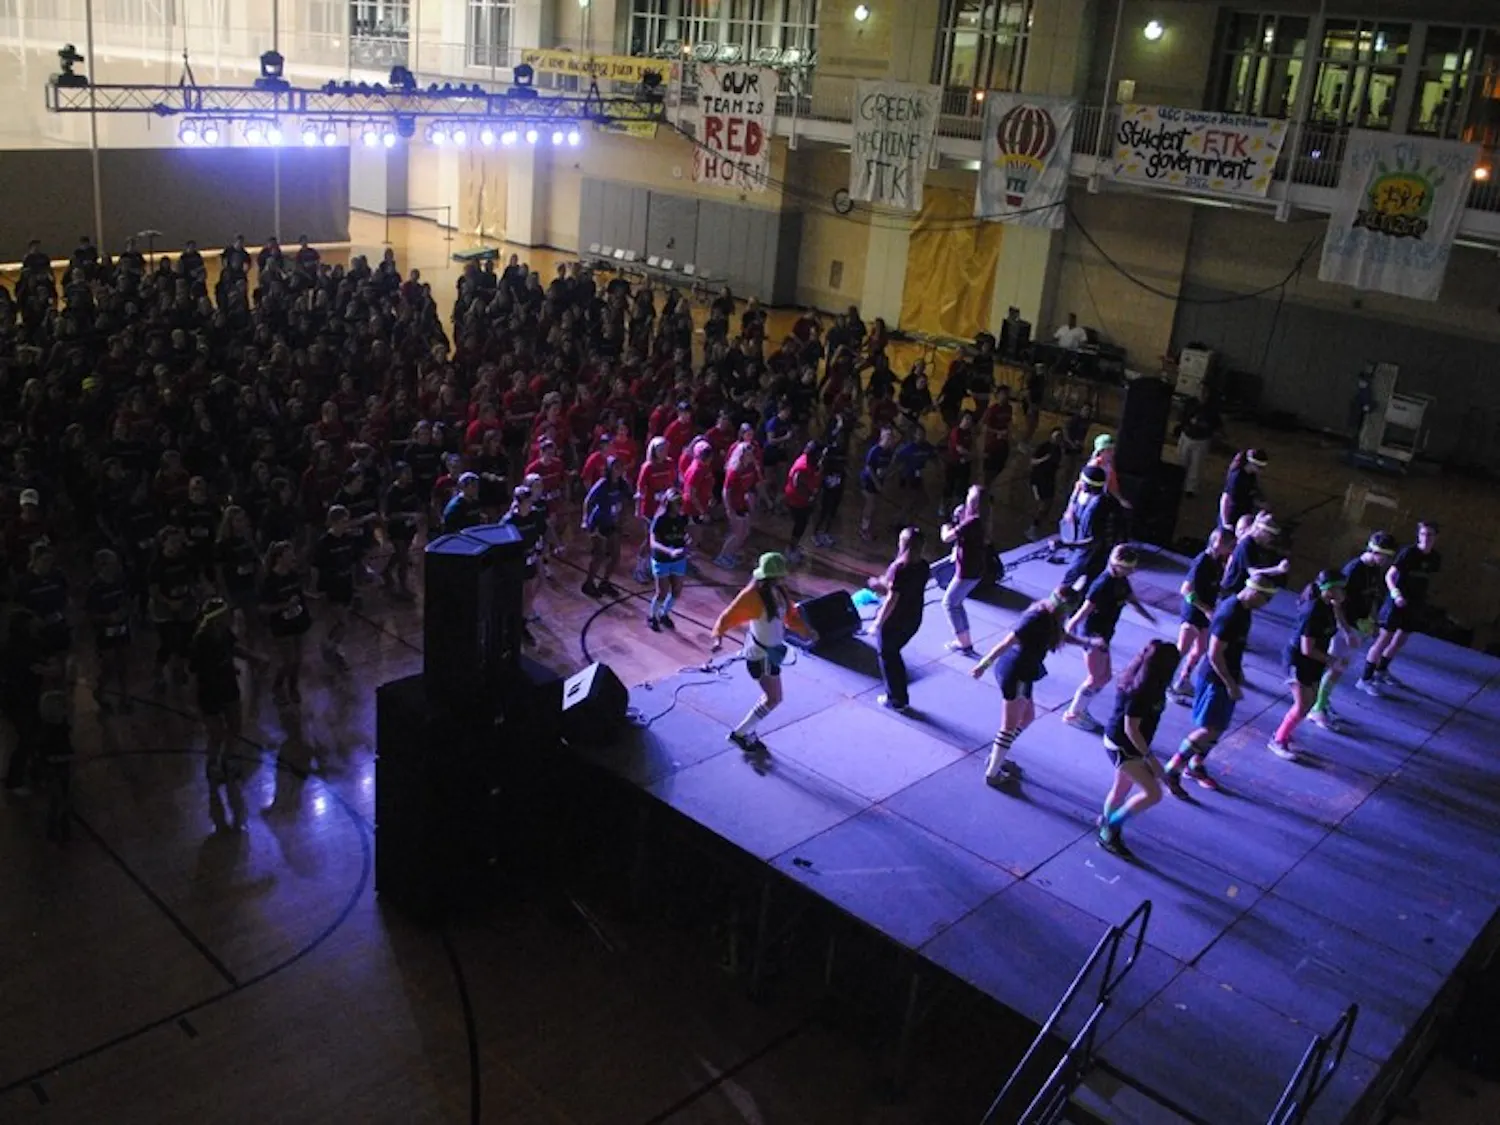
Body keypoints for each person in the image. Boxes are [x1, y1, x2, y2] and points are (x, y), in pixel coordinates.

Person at [1164, 574, 1278, 794]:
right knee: (1208, 729)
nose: (1266, 605)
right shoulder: (1230, 614)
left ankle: (1196, 765)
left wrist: (1238, 674)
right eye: (1266, 599)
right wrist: (1230, 684)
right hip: (1216, 679)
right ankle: (1173, 769)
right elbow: (1215, 654)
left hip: (1227, 676)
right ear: (1255, 593)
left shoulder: (1244, 611)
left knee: (1219, 727)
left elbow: (1233, 649)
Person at [971, 587, 1081, 789]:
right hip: (1017, 672)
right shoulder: (1035, 618)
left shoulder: (1050, 618)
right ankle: (992, 773)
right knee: (1009, 725)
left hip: (1024, 670)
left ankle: (998, 753)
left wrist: (1086, 643)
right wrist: (983, 665)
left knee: (1028, 717)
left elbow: (1061, 636)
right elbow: (1006, 642)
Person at [709, 553, 815, 752]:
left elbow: (790, 617)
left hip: (770, 652)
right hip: (761, 656)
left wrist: (806, 631)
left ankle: (747, 731)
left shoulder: (779, 592)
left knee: (770, 697)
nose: (784, 578)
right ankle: (739, 734)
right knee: (774, 698)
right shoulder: (752, 597)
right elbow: (728, 616)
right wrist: (718, 637)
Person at [1097, 639, 1181, 856]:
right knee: (1153, 793)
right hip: (1123, 746)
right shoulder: (1142, 690)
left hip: (1127, 744)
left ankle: (1107, 823)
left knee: (1120, 790)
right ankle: (1110, 827)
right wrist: (1151, 760)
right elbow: (1131, 728)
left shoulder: (1149, 682)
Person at [189, 597, 265, 833]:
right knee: (216, 733)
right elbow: (193, 673)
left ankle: (228, 760)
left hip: (228, 687)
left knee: (235, 726)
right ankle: (212, 764)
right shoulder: (200, 642)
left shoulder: (225, 634)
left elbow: (234, 648)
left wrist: (255, 658)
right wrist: (193, 701)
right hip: (209, 693)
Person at [1062, 544, 1156, 732]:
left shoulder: (1122, 581)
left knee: (1105, 677)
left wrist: (1148, 616)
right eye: (1128, 568)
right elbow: (1083, 611)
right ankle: (1073, 714)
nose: (1132, 571)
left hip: (1105, 635)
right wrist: (1069, 630)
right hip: (1092, 635)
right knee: (1095, 677)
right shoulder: (1102, 585)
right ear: (1116, 565)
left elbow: (1132, 600)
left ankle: (1081, 709)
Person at [1311, 532, 1395, 727]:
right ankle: (1317, 708)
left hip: (1358, 626)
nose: (1388, 562)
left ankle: (1322, 702)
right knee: (1335, 666)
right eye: (1386, 556)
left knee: (1340, 667)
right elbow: (1336, 602)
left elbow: (1371, 597)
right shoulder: (1354, 570)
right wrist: (1346, 630)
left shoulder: (1374, 568)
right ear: (1375, 551)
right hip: (1345, 626)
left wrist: (1372, 622)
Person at [1269, 571, 1347, 760]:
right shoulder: (1313, 611)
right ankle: (1278, 740)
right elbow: (1307, 649)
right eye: (1340, 588)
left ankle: (1284, 734)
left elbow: (1338, 624)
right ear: (1329, 589)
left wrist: (1338, 607)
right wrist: (1332, 661)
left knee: (1309, 702)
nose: (1343, 592)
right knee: (1303, 705)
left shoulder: (1328, 606)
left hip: (1313, 662)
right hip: (1299, 661)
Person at [1358, 521, 1441, 696]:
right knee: (1383, 640)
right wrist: (1396, 594)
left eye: (1430, 535)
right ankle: (1365, 678)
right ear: (1418, 535)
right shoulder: (1409, 553)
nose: (1426, 538)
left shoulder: (1435, 558)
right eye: (1423, 534)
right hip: (1396, 602)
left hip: (1414, 604)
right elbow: (1390, 575)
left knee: (1399, 640)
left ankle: (1381, 670)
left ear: (1435, 537)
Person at [868, 527, 931, 711]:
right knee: (894, 653)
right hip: (913, 618)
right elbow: (903, 588)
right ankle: (897, 696)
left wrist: (877, 623)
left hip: (895, 621)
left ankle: (896, 699)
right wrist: (883, 583)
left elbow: (892, 599)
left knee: (889, 657)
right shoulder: (923, 566)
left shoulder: (900, 568)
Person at [1170, 527, 1232, 701]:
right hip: (1194, 612)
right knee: (1182, 649)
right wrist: (1205, 609)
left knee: (1200, 649)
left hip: (1206, 613)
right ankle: (1166, 683)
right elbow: (1186, 590)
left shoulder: (1218, 563)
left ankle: (1183, 680)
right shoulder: (1202, 561)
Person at [260, 540, 312, 704]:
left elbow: (299, 593)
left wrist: (312, 597)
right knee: (288, 660)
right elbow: (263, 607)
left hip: (298, 620)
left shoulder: (293, 575)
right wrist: (284, 606)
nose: (293, 558)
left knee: (298, 659)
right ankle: (278, 683)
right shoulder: (270, 581)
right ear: (279, 558)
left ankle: (293, 687)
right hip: (281, 625)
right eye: (289, 555)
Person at [308, 504, 358, 670]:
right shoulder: (324, 543)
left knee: (340, 623)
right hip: (331, 588)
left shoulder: (348, 539)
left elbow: (351, 561)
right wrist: (315, 589)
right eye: (344, 521)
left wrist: (354, 582)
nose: (347, 524)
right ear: (334, 522)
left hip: (346, 585)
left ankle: (329, 646)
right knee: (343, 622)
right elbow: (315, 568)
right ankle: (331, 648)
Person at [939, 486, 985, 655]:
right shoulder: (982, 519)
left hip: (967, 570)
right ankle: (964, 640)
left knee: (949, 603)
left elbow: (946, 537)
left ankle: (963, 643)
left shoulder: (973, 522)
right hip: (975, 567)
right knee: (956, 603)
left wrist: (947, 524)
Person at [1056, 464, 1116, 593]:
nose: (1079, 483)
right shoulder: (1092, 496)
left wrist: (1065, 544)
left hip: (1091, 554)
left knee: (1068, 584)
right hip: (1082, 551)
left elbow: (1093, 542)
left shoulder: (1096, 509)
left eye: (1082, 481)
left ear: (1088, 485)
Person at [86, 548, 133, 713]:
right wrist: (107, 618)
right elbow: (90, 614)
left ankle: (125, 696)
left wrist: (124, 612)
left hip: (122, 628)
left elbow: (128, 600)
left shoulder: (121, 581)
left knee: (124, 663)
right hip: (105, 632)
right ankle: (100, 692)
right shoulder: (95, 588)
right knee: (109, 665)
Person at [582, 455, 633, 598]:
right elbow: (588, 500)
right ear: (610, 469)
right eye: (616, 468)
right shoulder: (602, 484)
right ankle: (588, 583)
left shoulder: (622, 484)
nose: (619, 470)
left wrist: (624, 520)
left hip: (612, 523)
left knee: (615, 556)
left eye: (621, 467)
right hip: (599, 523)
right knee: (599, 555)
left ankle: (605, 582)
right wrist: (585, 520)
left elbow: (627, 500)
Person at [1219, 510, 1290, 595]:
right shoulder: (1246, 544)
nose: (1271, 539)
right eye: (1269, 535)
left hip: (1241, 592)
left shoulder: (1258, 545)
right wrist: (1278, 569)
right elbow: (1253, 572)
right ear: (1261, 531)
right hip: (1230, 591)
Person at [648, 489, 690, 632]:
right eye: (677, 503)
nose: (680, 505)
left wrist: (687, 541)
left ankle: (663, 613)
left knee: (677, 591)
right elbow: (653, 543)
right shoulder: (660, 519)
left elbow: (683, 535)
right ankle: (652, 617)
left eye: (680, 502)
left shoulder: (682, 518)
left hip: (678, 559)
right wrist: (670, 551)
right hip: (662, 560)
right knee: (662, 592)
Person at [783, 440, 822, 563]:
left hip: (804, 499)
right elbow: (797, 483)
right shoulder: (803, 466)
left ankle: (794, 546)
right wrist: (810, 496)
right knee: (799, 525)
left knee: (802, 524)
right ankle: (790, 549)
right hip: (797, 500)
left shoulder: (810, 461)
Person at [1176, 392, 1220, 498]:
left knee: (1196, 466)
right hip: (1187, 436)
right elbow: (1181, 417)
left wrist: (1204, 425)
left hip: (1201, 440)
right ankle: (1178, 484)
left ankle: (1190, 489)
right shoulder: (1190, 403)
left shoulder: (1211, 408)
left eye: (1205, 392)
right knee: (1182, 461)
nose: (1202, 394)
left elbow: (1216, 424)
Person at [858, 427, 898, 541]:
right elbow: (869, 468)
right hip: (869, 481)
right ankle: (864, 528)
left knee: (875, 505)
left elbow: (887, 467)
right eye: (888, 438)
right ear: (883, 438)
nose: (891, 440)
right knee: (870, 504)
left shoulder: (889, 453)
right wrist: (876, 483)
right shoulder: (875, 451)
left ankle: (870, 527)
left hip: (879, 481)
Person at [1025, 427, 1063, 541]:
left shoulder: (1058, 450)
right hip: (1038, 479)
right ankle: (1032, 528)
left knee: (1048, 504)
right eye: (1056, 436)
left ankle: (1037, 526)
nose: (1058, 439)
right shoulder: (1044, 447)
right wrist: (1044, 459)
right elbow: (1032, 461)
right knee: (1042, 504)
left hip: (1049, 480)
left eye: (1060, 437)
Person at [1218, 449, 1268, 530]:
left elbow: (1253, 489)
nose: (1261, 471)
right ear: (1251, 464)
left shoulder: (1251, 474)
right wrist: (1226, 522)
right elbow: (1225, 499)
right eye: (1259, 467)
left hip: (1243, 513)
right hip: (1232, 516)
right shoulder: (1236, 477)